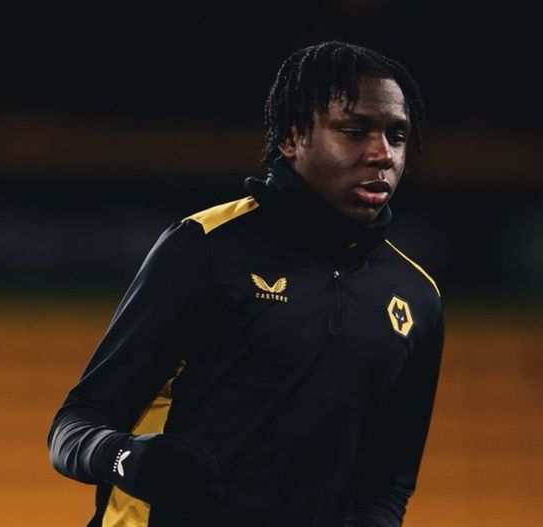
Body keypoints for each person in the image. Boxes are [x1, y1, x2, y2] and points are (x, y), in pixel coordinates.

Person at [48, 41, 444, 527]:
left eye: (397, 136)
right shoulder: (204, 246)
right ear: (292, 138)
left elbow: (388, 483)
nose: (383, 154)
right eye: (355, 131)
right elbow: (74, 425)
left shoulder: (418, 298)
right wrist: (124, 458)